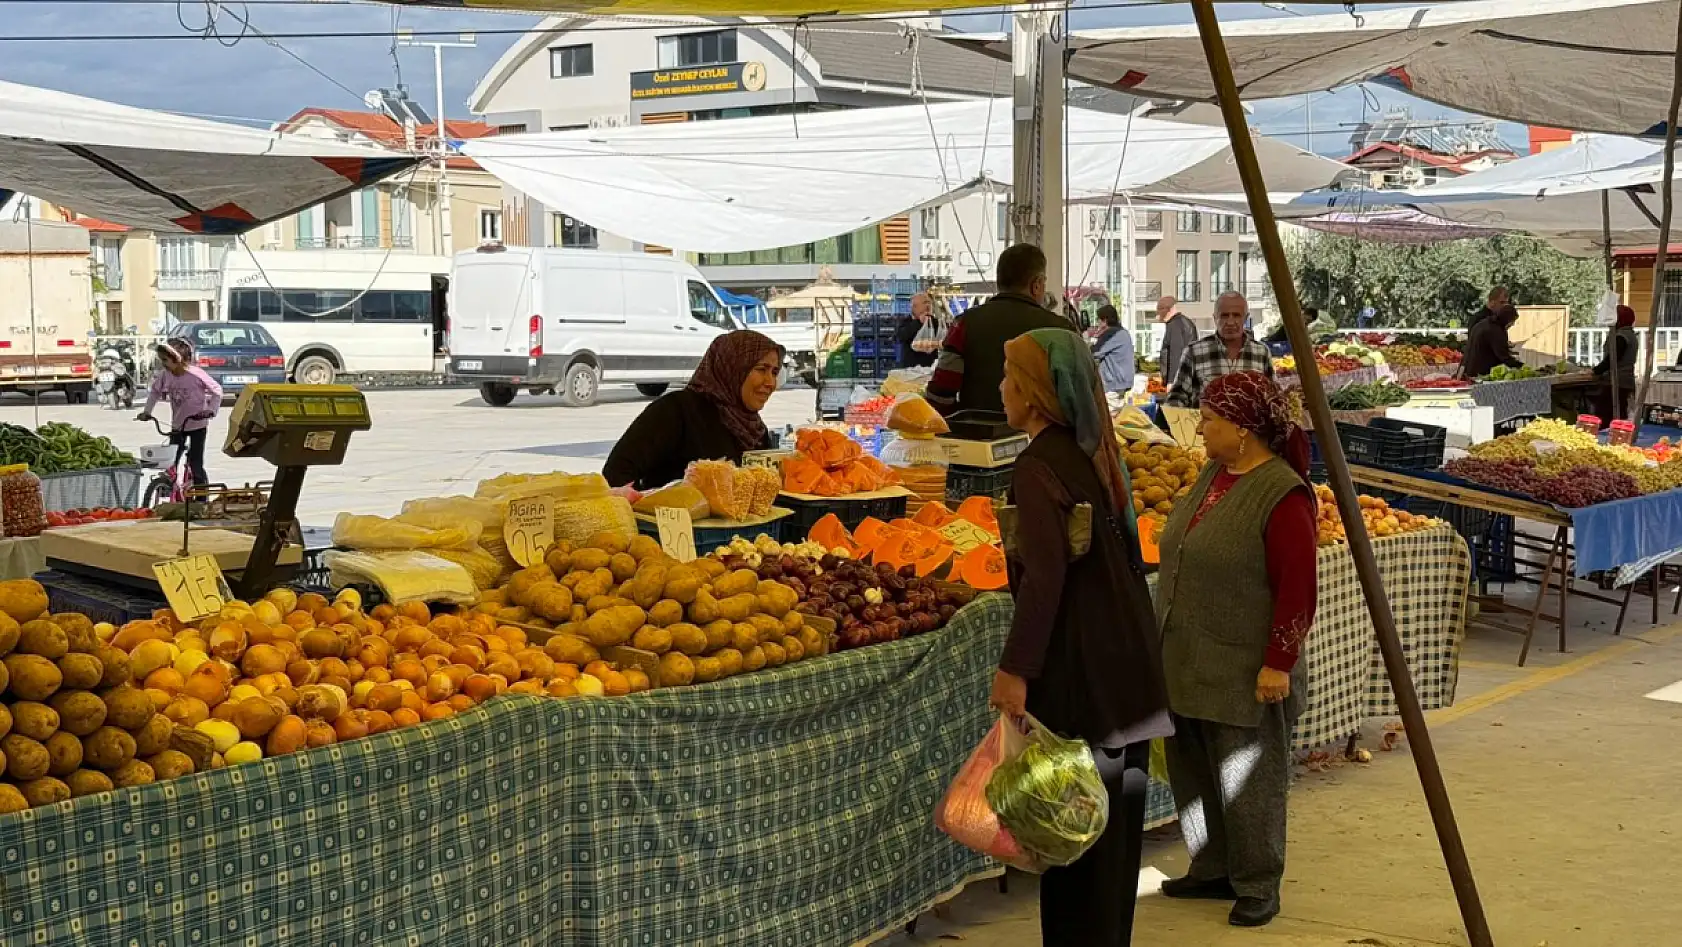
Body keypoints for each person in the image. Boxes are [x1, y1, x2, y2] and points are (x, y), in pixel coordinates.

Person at [992, 327, 1172, 947]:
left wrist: (1015, 669)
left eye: (1009, 376)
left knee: (1072, 846)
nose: (1000, 387)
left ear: (1035, 394)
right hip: (1127, 679)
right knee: (1112, 848)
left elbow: (1044, 580)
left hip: (1086, 680)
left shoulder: (1039, 466)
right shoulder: (1092, 457)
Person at [1154, 370, 1317, 928]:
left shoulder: (1282, 493)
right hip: (1189, 656)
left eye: (1209, 420)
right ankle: (1211, 868)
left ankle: (1257, 881)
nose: (1199, 428)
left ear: (1243, 430)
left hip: (1244, 664)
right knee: (1193, 768)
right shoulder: (1212, 474)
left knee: (1248, 779)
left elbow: (1298, 587)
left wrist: (1279, 663)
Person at [603, 330, 782, 490]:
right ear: (732, 367)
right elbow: (617, 473)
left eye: (774, 372)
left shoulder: (755, 430)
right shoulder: (677, 410)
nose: (770, 383)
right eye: (761, 369)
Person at [925, 244, 1068, 416]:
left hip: (979, 434)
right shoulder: (1061, 329)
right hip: (1044, 438)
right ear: (1036, 285)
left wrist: (959, 424)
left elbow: (940, 393)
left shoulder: (965, 324)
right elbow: (1076, 397)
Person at [1166, 291, 1274, 408]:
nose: (1230, 322)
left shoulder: (1261, 353)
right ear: (1215, 318)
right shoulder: (1194, 352)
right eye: (1224, 315)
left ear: (1246, 318)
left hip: (1250, 426)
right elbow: (1177, 397)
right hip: (1206, 425)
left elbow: (1272, 398)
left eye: (1236, 315)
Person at [137, 338, 222, 488]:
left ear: (178, 359)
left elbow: (217, 390)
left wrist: (210, 410)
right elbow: (155, 392)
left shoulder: (196, 374)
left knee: (195, 464)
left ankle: (201, 500)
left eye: (165, 360)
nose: (163, 364)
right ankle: (168, 488)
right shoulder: (165, 375)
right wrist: (147, 412)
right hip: (178, 426)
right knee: (171, 462)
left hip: (197, 424)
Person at [1593, 304, 1639, 424]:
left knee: (1605, 415)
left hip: (1617, 382)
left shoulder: (1621, 337)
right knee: (1619, 414)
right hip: (1625, 382)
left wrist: (1596, 371)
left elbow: (1612, 359)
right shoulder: (1629, 334)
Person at [1461, 303, 1524, 379]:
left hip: (1467, 368)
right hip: (1479, 373)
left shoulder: (1485, 323)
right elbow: (1503, 356)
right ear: (1507, 319)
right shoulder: (1495, 330)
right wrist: (1521, 366)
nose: (1513, 324)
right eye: (1512, 321)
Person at [1091, 304, 1135, 396]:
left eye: (1098, 320)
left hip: (1113, 384)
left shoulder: (1111, 333)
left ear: (1104, 320)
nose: (1097, 323)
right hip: (1122, 382)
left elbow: (1094, 352)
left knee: (1109, 409)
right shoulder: (1122, 332)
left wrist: (1091, 339)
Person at [1156, 295, 1198, 386]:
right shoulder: (1183, 322)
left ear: (1169, 310)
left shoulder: (1175, 325)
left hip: (1180, 380)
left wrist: (1172, 381)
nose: (1158, 313)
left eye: (1160, 309)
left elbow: (1175, 354)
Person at [895, 292, 939, 369]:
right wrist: (919, 322)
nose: (928, 305)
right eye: (925, 302)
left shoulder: (934, 322)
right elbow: (901, 336)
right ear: (914, 307)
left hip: (931, 368)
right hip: (911, 369)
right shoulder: (906, 321)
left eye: (929, 302)